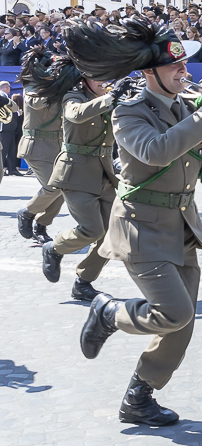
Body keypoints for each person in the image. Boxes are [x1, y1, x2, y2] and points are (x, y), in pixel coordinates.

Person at [71, 16, 202, 427]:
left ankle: (140, 396)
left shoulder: (187, 107)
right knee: (174, 313)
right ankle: (108, 312)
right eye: (175, 67)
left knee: (181, 324)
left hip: (182, 228)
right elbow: (155, 152)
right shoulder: (129, 112)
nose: (184, 73)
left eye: (185, 66)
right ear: (149, 73)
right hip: (142, 227)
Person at [37, 45, 123, 301]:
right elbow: (75, 116)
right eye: (99, 78)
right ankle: (54, 248)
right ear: (83, 79)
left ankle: (83, 282)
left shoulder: (108, 97)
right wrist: (110, 98)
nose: (105, 83)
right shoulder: (72, 97)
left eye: (108, 78)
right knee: (91, 230)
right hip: (75, 173)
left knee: (111, 235)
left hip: (104, 174)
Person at [16, 53, 65, 245]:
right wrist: (59, 87)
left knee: (63, 189)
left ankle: (41, 224)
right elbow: (36, 103)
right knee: (54, 187)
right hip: (36, 147)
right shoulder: (32, 87)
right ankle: (27, 212)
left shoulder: (58, 88)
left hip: (56, 147)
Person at [0, 82, 22, 175]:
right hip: (4, 128)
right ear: (7, 88)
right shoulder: (2, 96)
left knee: (12, 149)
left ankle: (12, 169)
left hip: (10, 128)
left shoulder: (5, 96)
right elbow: (6, 111)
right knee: (4, 149)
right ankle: (2, 169)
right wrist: (17, 113)